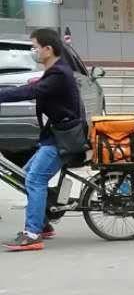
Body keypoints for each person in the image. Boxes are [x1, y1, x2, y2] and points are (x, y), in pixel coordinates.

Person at [2, 27, 86, 252]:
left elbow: (29, 92)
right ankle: (43, 223)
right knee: (25, 177)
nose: (34, 52)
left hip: (63, 138)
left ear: (48, 49)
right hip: (54, 135)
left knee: (33, 180)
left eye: (35, 48)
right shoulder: (54, 72)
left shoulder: (59, 74)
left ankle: (32, 234)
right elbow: (29, 88)